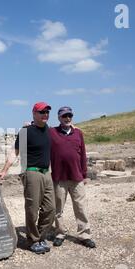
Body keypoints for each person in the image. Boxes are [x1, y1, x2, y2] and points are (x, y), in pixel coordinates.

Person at [0, 102, 56, 254]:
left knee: (50, 208)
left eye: (47, 112)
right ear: (34, 114)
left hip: (46, 173)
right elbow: (14, 152)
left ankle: (41, 236)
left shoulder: (49, 130)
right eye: (42, 112)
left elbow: (62, 135)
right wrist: (4, 170)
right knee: (32, 209)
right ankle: (33, 240)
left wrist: (74, 128)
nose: (45, 114)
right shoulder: (25, 132)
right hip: (32, 173)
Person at [49, 106, 96, 248]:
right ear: (59, 118)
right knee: (58, 209)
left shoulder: (78, 133)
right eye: (64, 116)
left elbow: (83, 155)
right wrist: (29, 125)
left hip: (76, 177)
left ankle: (84, 235)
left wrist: (85, 174)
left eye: (69, 116)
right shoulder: (52, 132)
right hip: (59, 177)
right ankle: (60, 233)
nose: (67, 118)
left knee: (81, 207)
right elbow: (39, 129)